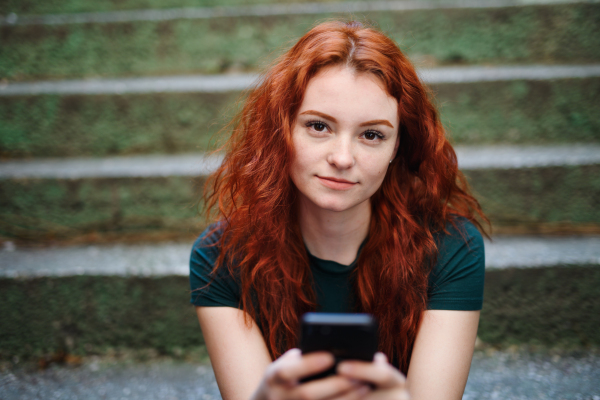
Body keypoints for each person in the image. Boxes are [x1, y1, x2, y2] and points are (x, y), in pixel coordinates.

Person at [190, 21, 488, 400]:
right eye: (318, 126)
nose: (343, 158)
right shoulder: (221, 256)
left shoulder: (449, 248)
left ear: (398, 147)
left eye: (372, 135)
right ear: (281, 132)